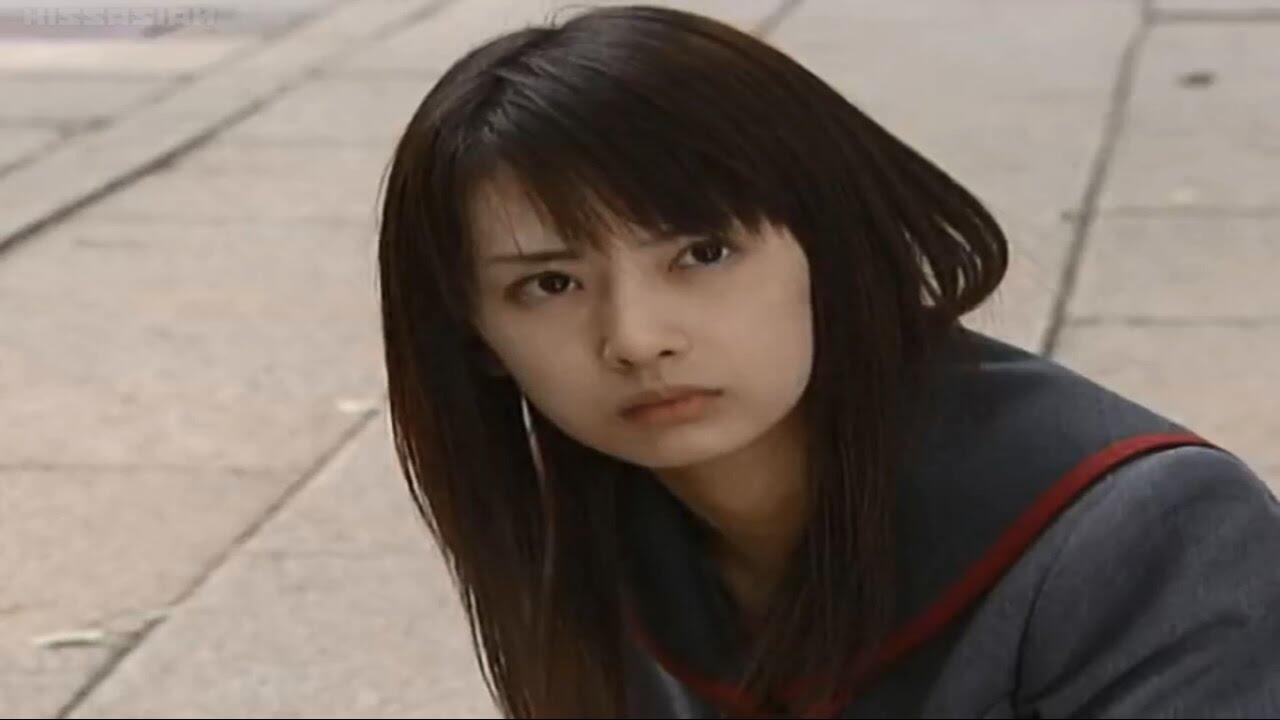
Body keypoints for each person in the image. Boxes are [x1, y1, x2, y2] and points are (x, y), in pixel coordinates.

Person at [375, 5, 1280, 717]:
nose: (637, 338)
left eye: (702, 254)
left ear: (826, 246)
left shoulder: (1142, 533)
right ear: (474, 336)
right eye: (549, 285)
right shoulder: (583, 520)